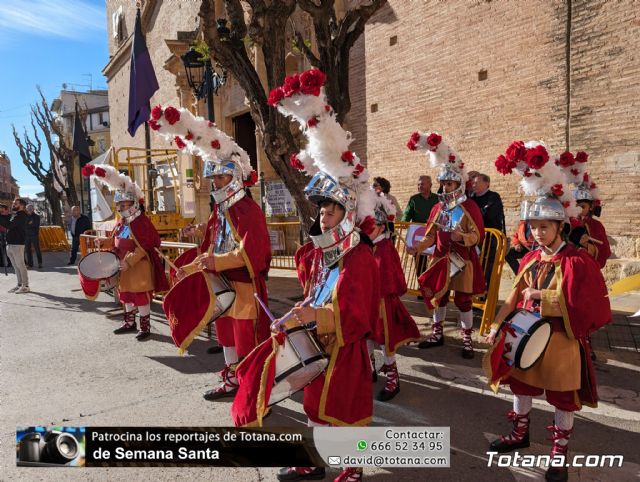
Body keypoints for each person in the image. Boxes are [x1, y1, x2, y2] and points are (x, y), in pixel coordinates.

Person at [233, 69, 379, 482]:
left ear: (348, 213)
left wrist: (314, 318)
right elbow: (317, 294)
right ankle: (315, 459)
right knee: (314, 401)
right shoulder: (325, 252)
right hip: (318, 340)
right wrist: (300, 310)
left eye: (330, 210)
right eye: (321, 209)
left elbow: (356, 317)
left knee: (344, 407)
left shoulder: (360, 258)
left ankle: (351, 466)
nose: (322, 215)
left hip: (345, 346)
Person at [485, 140, 611, 482]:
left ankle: (558, 455)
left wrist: (547, 298)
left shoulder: (577, 261)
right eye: (533, 227)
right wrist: (498, 323)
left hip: (561, 339)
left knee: (561, 398)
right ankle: (519, 434)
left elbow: (589, 304)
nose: (538, 234)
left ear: (560, 227)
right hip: (525, 334)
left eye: (544, 227)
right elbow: (514, 297)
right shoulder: (529, 257)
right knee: (521, 387)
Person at [153, 105, 271, 401]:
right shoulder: (221, 211)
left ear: (236, 177)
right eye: (213, 179)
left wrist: (215, 261)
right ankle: (232, 380)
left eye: (221, 178)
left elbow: (253, 253)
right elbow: (209, 249)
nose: (215, 183)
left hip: (244, 288)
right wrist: (190, 269)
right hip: (221, 286)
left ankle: (253, 390)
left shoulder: (249, 210)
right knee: (227, 336)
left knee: (247, 340)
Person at [406, 131, 485, 359]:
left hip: (462, 262)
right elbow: (430, 235)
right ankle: (436, 333)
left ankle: (467, 340)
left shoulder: (470, 207)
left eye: (449, 184)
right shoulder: (437, 208)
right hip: (440, 259)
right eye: (443, 184)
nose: (445, 188)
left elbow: (477, 236)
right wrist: (418, 247)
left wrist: (464, 238)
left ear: (458, 184)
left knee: (462, 300)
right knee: (438, 297)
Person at [83, 165, 169, 341]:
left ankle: (145, 326)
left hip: (138, 266)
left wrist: (129, 261)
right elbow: (116, 239)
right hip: (122, 266)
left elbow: (144, 246)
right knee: (126, 295)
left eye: (125, 204)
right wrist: (104, 242)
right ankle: (129, 322)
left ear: (134, 203)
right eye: (120, 204)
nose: (122, 207)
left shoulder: (141, 222)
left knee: (140, 296)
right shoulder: (123, 222)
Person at [368, 194, 421, 401]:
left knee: (385, 342)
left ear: (381, 228)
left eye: (370, 227)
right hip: (368, 303)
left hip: (383, 304)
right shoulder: (366, 246)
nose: (366, 231)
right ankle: (370, 369)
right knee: (365, 339)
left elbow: (394, 280)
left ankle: (393, 379)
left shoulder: (386, 248)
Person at [470, 173, 505, 288]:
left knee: (487, 266)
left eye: (476, 182)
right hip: (475, 238)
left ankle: (485, 295)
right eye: (473, 182)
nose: (473, 185)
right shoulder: (471, 198)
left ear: (487, 183)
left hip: (490, 239)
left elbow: (488, 215)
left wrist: (473, 213)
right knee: (474, 263)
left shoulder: (493, 197)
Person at [5, 198, 29, 293]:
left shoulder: (21, 215)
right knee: (15, 266)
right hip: (10, 243)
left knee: (21, 265)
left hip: (17, 244)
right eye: (13, 203)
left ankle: (25, 286)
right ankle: (19, 284)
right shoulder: (15, 215)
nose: (13, 204)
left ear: (22, 206)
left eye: (16, 203)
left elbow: (9, 225)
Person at [24, 204, 42, 269]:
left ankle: (40, 263)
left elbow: (36, 225)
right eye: (28, 208)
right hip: (26, 236)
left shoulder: (37, 216)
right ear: (26, 209)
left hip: (34, 235)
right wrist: (29, 224)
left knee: (37, 249)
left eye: (30, 208)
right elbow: (24, 226)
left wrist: (28, 224)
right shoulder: (25, 217)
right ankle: (30, 264)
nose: (29, 210)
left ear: (33, 209)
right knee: (28, 250)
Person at [0, 203, 12, 268]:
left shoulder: (11, 216)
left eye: (2, 209)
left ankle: (10, 263)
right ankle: (1, 264)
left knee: (8, 250)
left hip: (8, 235)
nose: (1, 210)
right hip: (1, 235)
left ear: (6, 210)